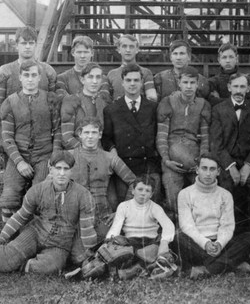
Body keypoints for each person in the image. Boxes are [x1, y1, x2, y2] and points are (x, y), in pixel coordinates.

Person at [0, 151, 98, 274]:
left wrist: (89, 256)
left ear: (72, 170)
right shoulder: (38, 190)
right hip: (36, 233)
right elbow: (19, 217)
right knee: (7, 257)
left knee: (48, 268)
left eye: (66, 169)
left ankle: (15, 264)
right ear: (50, 168)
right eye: (58, 168)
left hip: (60, 243)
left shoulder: (83, 195)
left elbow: (87, 229)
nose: (61, 173)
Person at [0, 60, 61, 224]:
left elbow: (57, 131)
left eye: (34, 75)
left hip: (44, 156)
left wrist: (53, 159)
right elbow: (7, 137)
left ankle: (35, 235)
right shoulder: (10, 102)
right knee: (9, 197)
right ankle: (9, 237)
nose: (30, 79)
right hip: (19, 156)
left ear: (40, 77)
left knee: (39, 195)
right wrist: (19, 162)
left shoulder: (50, 99)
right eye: (26, 75)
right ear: (20, 77)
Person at [176, 153, 250, 279]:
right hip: (198, 244)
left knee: (249, 237)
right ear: (197, 170)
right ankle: (229, 266)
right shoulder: (185, 194)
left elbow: (227, 226)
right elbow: (187, 226)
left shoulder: (225, 195)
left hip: (221, 244)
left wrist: (219, 244)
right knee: (178, 237)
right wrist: (206, 243)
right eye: (204, 168)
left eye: (212, 169)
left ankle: (206, 270)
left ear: (218, 172)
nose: (208, 173)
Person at [68, 118, 137, 264]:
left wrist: (120, 211)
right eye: (86, 132)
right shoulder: (68, 156)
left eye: (94, 132)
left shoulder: (111, 158)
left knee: (106, 251)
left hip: (102, 215)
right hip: (75, 215)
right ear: (79, 134)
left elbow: (134, 182)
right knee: (79, 258)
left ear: (100, 135)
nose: (90, 136)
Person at [210, 73, 250, 236]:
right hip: (227, 162)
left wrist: (248, 166)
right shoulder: (218, 110)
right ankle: (228, 234)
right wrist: (230, 166)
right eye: (235, 86)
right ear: (229, 87)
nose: (239, 90)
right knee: (226, 191)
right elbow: (216, 144)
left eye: (242, 87)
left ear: (248, 89)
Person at [102, 63, 162, 208]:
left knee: (150, 208)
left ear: (142, 82)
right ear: (122, 83)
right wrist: (113, 152)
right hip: (125, 166)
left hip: (148, 165)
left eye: (136, 80)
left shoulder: (153, 107)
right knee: (124, 207)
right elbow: (106, 138)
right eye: (128, 80)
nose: (132, 84)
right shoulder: (111, 110)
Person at [157, 66, 211, 219]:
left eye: (192, 82)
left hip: (195, 160)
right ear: (179, 83)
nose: (188, 86)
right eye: (185, 82)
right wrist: (167, 161)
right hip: (172, 161)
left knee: (200, 201)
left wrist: (202, 160)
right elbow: (161, 136)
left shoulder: (203, 104)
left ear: (197, 84)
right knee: (174, 201)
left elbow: (206, 137)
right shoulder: (168, 102)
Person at [0, 26, 56, 153]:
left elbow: (53, 106)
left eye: (31, 43)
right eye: (23, 43)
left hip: (41, 138)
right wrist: (0, 136)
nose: (27, 47)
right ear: (16, 45)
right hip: (13, 135)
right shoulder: (5, 71)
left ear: (36, 45)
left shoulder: (48, 71)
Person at [101, 175, 176, 280]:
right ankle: (143, 267)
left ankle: (139, 269)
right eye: (140, 189)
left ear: (152, 194)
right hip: (132, 241)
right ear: (133, 191)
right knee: (120, 246)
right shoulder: (123, 206)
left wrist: (164, 242)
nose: (143, 193)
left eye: (147, 191)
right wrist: (109, 241)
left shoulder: (155, 207)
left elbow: (168, 225)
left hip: (150, 240)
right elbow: (116, 227)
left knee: (157, 247)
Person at [60, 62, 111, 150]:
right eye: (90, 77)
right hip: (76, 151)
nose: (94, 81)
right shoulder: (71, 101)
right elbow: (66, 137)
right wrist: (87, 151)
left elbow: (108, 135)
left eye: (98, 77)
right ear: (82, 80)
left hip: (100, 152)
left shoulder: (104, 102)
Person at [101, 34, 157, 102]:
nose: (128, 50)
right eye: (124, 46)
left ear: (137, 50)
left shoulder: (145, 72)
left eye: (131, 47)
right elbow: (106, 100)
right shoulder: (111, 74)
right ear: (118, 49)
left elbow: (152, 97)